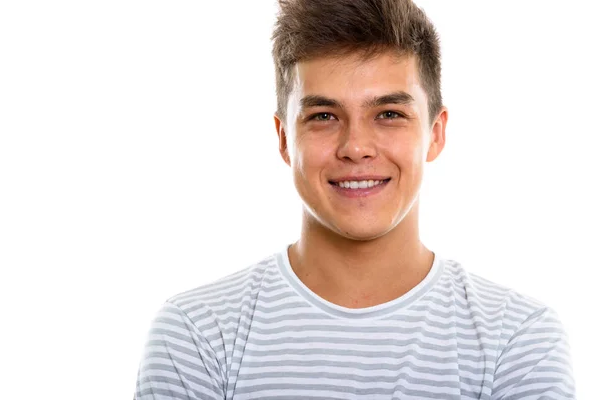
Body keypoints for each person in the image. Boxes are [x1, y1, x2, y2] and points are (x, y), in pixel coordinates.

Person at [133, 0, 575, 398]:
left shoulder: (518, 340)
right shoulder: (197, 336)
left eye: (389, 114)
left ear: (435, 134)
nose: (357, 147)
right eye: (324, 116)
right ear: (285, 139)